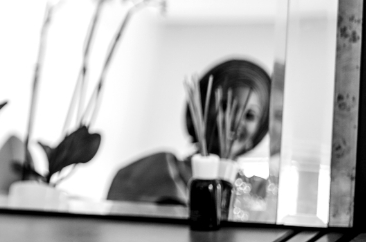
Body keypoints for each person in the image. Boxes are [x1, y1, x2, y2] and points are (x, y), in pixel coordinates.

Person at [106, 57, 271, 209]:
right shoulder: (155, 172)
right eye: (225, 106)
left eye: (250, 115)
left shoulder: (259, 194)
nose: (235, 121)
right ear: (200, 112)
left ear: (259, 130)